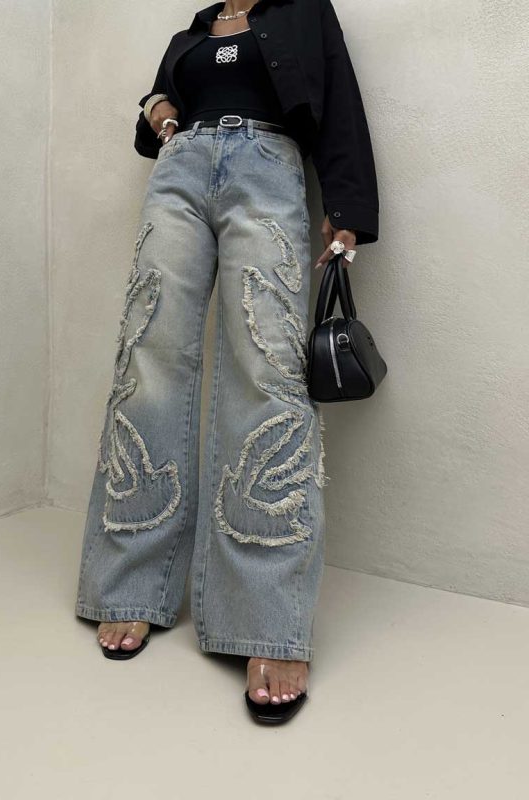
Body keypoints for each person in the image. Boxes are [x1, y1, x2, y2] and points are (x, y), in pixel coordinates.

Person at [75, 0, 379, 725]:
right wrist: (160, 114)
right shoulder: (190, 31)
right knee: (148, 357)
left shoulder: (305, 12)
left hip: (267, 169)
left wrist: (347, 211)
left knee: (268, 368)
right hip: (178, 173)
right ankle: (132, 583)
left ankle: (266, 619)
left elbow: (340, 105)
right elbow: (158, 107)